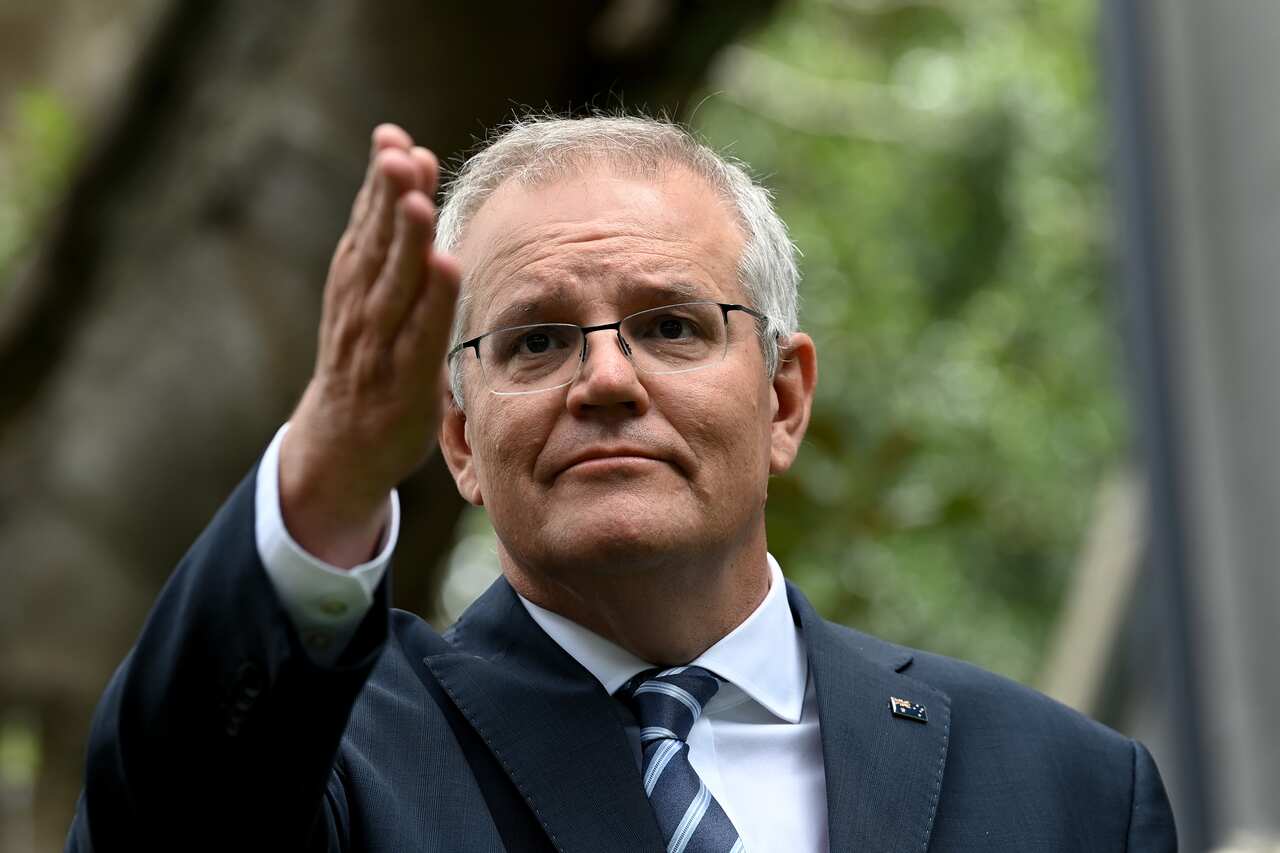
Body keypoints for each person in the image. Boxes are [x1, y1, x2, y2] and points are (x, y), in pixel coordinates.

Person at [66, 116, 1177, 852]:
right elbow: (170, 815)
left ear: (782, 401)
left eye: (668, 325)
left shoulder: (1066, 789)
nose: (604, 378)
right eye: (536, 342)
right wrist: (328, 468)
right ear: (457, 436)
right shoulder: (342, 756)